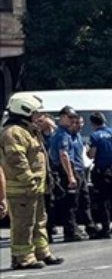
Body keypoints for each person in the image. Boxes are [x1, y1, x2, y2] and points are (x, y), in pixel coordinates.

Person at [2, 94, 63, 269]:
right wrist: (29, 180)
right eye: (37, 113)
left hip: (35, 187)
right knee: (23, 224)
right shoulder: (13, 132)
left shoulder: (29, 130)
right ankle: (23, 258)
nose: (40, 117)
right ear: (25, 111)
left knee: (39, 221)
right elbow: (16, 160)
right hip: (22, 188)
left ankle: (41, 253)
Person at [49, 106, 92, 241]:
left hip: (78, 170)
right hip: (66, 171)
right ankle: (70, 231)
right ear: (63, 118)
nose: (74, 120)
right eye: (71, 117)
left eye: (75, 118)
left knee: (82, 201)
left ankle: (84, 227)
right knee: (69, 203)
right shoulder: (62, 134)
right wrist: (70, 176)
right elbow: (64, 156)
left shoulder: (71, 134)